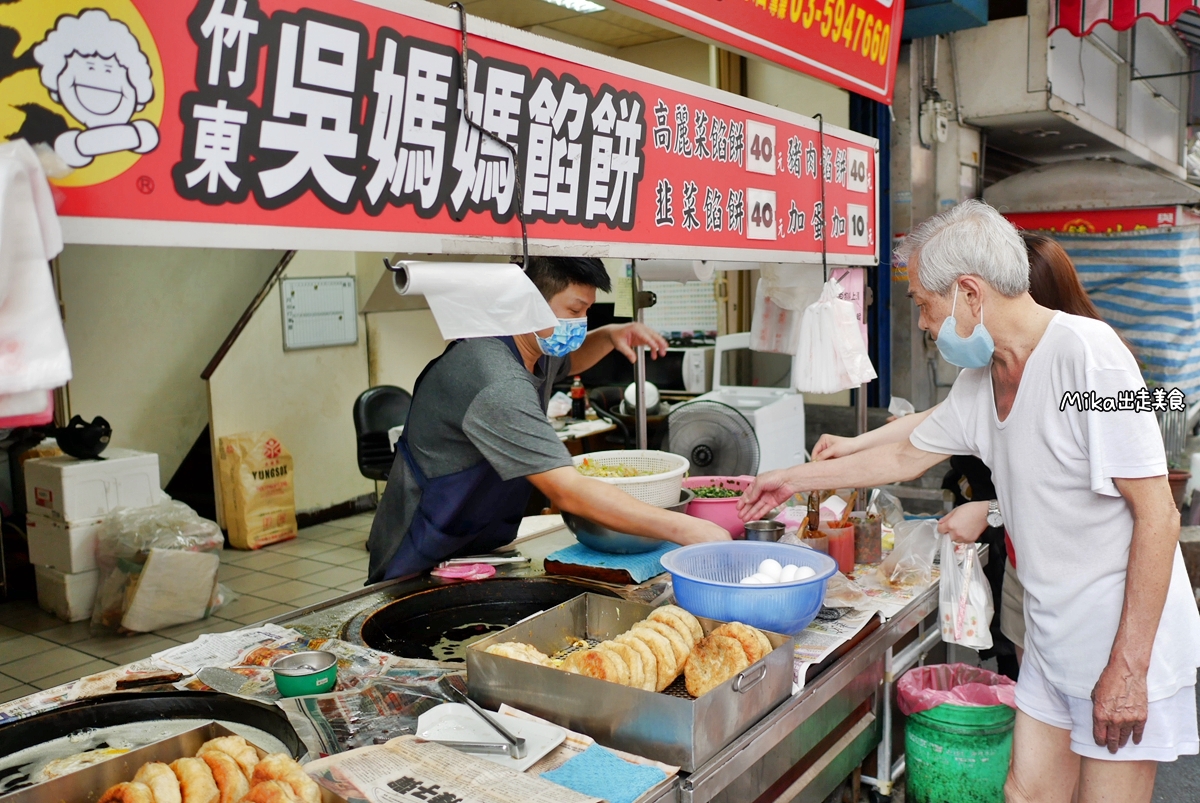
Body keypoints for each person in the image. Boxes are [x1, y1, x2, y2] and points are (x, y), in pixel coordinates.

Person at [740, 201, 1200, 802]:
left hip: (1120, 642)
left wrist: (1129, 669)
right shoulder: (981, 380)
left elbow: (1159, 516)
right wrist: (794, 479)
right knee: (1024, 793)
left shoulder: (1091, 359)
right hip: (1051, 637)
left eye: (925, 307)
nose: (927, 326)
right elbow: (908, 454)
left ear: (969, 294)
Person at [811, 233, 1123, 671]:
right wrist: (852, 447)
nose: (925, 323)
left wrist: (992, 510)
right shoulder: (990, 374)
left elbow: (1112, 492)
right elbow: (925, 430)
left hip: (1092, 599)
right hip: (1026, 570)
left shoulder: (1092, 364)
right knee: (1024, 684)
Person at [367, 256, 729, 583]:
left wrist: (609, 335)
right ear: (527, 304)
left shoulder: (530, 344)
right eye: (574, 310)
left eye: (587, 311)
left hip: (475, 546)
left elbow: (569, 361)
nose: (579, 322)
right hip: (420, 554)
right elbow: (567, 491)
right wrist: (686, 528)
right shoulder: (494, 380)